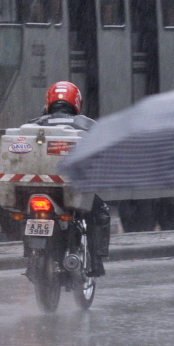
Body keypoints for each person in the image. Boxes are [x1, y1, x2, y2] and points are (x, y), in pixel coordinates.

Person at [33, 81, 109, 276]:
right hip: (70, 189)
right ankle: (96, 263)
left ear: (48, 102)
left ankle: (30, 255)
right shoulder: (86, 124)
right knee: (99, 212)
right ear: (76, 102)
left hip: (37, 186)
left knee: (27, 216)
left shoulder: (35, 124)